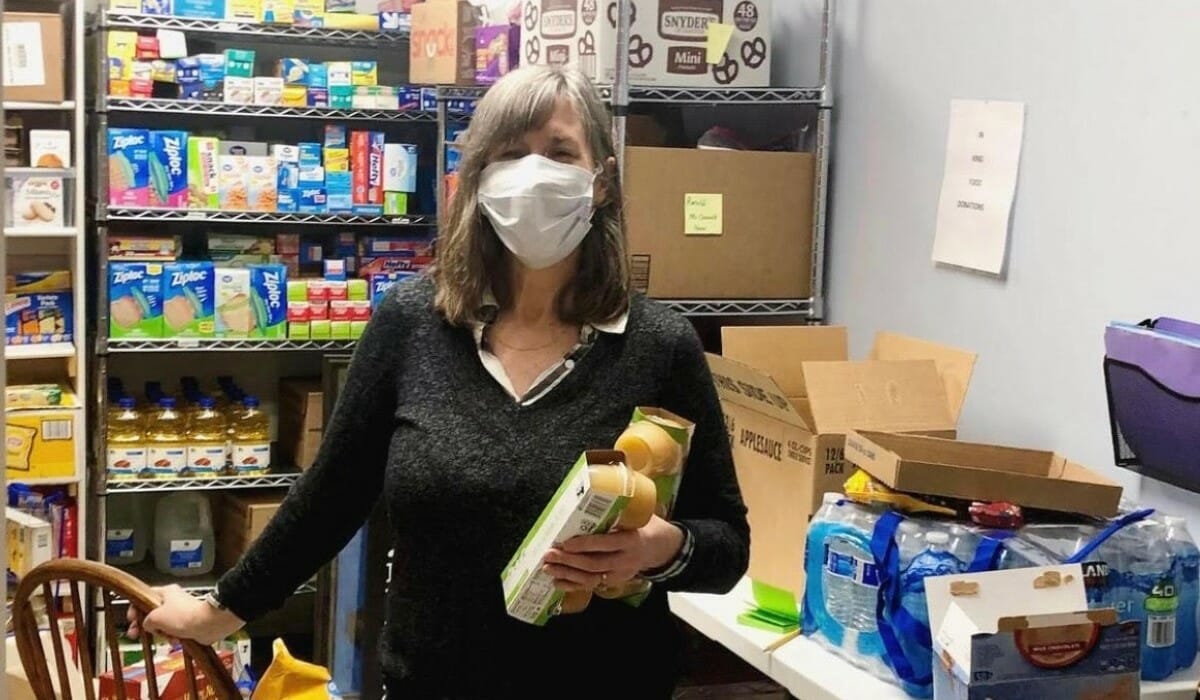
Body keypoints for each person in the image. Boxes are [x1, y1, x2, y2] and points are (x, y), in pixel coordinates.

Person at [134, 65, 750, 698]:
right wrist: (218, 612)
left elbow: (729, 547)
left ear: (601, 182)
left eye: (561, 152)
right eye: (511, 154)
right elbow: (331, 497)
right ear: (478, 181)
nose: (535, 172)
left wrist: (661, 548)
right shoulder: (413, 324)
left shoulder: (660, 346)